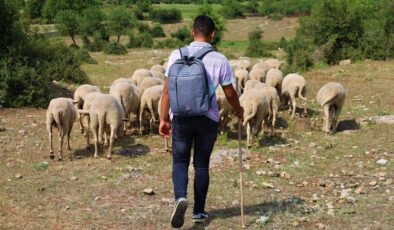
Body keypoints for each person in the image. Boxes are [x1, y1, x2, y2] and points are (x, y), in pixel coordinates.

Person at [159, 15, 243, 228]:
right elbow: (230, 93)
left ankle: (180, 197)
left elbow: (167, 90)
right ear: (213, 35)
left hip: (180, 118)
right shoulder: (219, 59)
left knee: (179, 161)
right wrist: (239, 111)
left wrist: (163, 118)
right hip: (207, 118)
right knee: (201, 164)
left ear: (192, 32)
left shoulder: (175, 54)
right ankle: (198, 211)